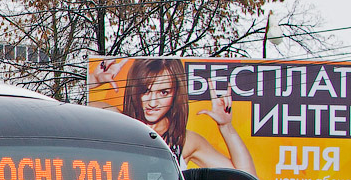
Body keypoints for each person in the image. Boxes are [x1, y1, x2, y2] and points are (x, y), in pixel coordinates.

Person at [89, 58, 256, 173]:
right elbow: (66, 111)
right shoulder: (118, 123)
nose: (153, 102)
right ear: (135, 90)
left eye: (163, 92)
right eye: (145, 91)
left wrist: (226, 127)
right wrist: (93, 80)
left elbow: (247, 179)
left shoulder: (184, 140)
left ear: (176, 93)